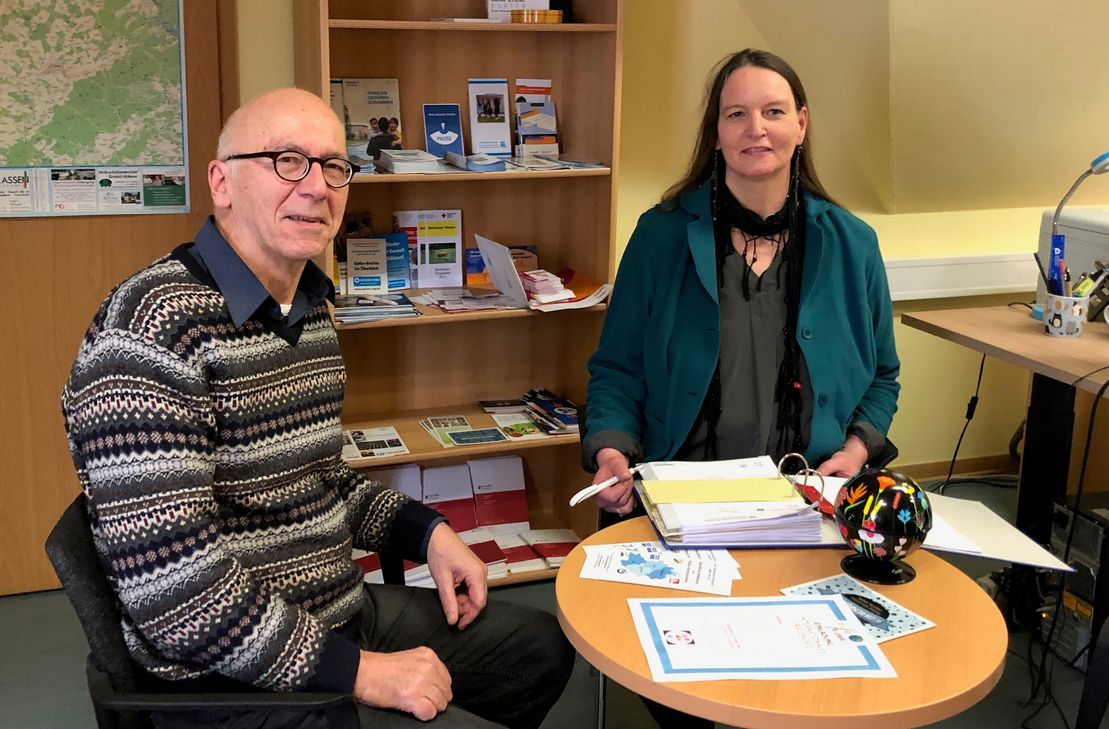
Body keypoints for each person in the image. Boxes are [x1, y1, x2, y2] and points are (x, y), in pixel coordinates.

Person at [61, 88, 574, 729]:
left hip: (335, 612)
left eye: (333, 167)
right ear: (221, 182)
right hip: (228, 674)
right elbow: (178, 594)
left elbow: (318, 478)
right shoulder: (147, 332)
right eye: (286, 161)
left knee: (539, 651)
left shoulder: (308, 309)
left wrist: (428, 533)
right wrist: (358, 674)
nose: (316, 187)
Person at [581, 45, 899, 729]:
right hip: (681, 502)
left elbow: (883, 375)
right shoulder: (663, 234)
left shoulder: (851, 242)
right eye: (737, 113)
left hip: (804, 502)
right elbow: (616, 368)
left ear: (801, 124)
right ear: (716, 131)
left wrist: (855, 446)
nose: (756, 128)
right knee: (687, 690)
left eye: (773, 111)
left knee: (817, 685)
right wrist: (610, 448)